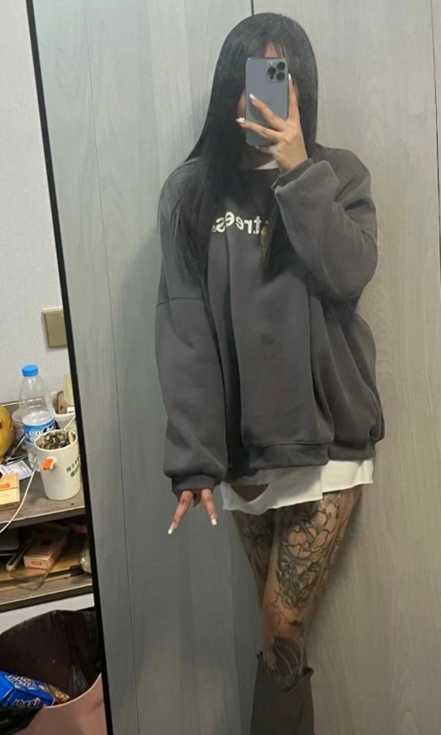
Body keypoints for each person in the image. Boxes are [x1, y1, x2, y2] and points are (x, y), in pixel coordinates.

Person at [155, 12, 385, 734]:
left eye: (278, 77)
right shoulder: (192, 193)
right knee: (275, 627)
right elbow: (184, 326)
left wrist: (298, 172)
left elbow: (349, 273)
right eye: (250, 76)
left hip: (329, 435)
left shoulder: (338, 174)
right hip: (246, 448)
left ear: (300, 87)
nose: (260, 94)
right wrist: (194, 458)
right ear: (229, 86)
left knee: (282, 623)